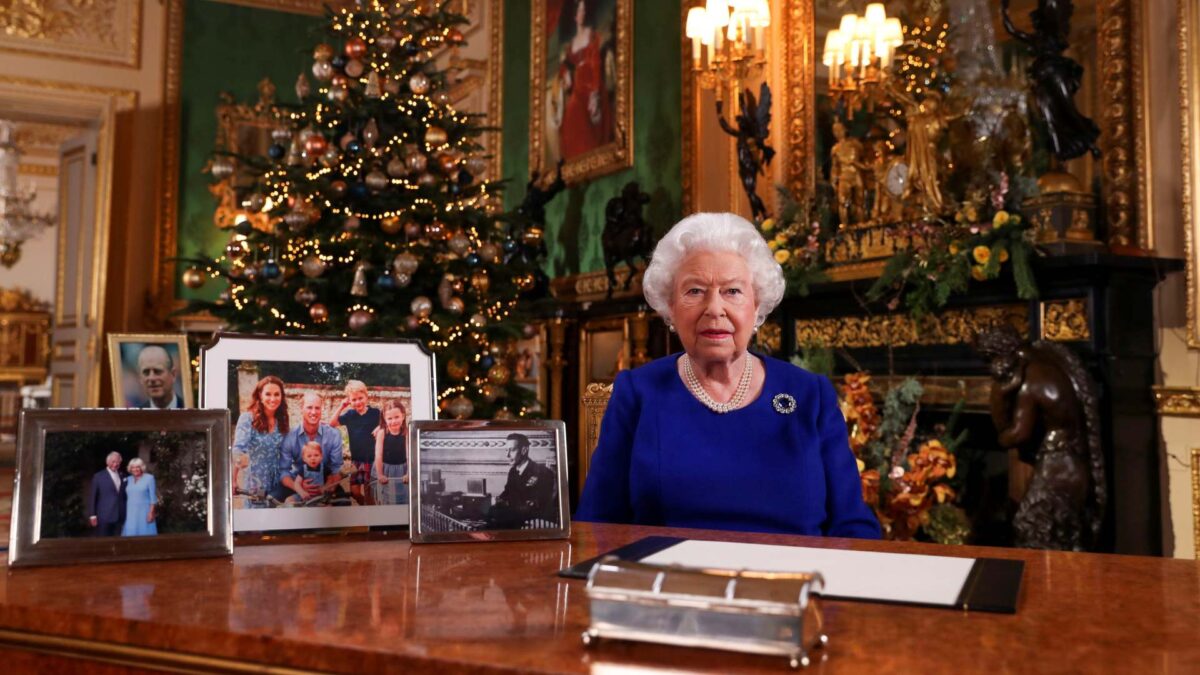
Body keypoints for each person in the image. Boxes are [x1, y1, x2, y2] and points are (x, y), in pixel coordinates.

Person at [576, 212, 881, 538]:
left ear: (757, 303)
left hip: (792, 584)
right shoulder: (638, 392)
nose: (714, 309)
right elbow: (597, 523)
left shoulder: (810, 395)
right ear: (670, 307)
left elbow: (852, 525)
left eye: (732, 291)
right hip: (668, 582)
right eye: (694, 291)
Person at [555, 0, 612, 160]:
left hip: (591, 82)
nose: (582, 13)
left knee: (582, 110)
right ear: (575, 15)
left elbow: (595, 62)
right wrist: (565, 74)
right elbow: (565, 65)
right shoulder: (571, 44)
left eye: (584, 10)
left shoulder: (591, 34)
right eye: (579, 10)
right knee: (571, 113)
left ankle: (589, 154)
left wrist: (594, 92)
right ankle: (576, 158)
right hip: (578, 87)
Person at [232, 375, 289, 508]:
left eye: (277, 394)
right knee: (256, 525)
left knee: (274, 524)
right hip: (255, 483)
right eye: (268, 394)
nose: (273, 399)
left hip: (277, 484)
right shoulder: (247, 419)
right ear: (260, 395)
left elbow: (287, 452)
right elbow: (239, 450)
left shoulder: (282, 421)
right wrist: (233, 480)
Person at [276, 392, 344, 503]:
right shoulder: (289, 436)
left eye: (317, 408)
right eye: (309, 407)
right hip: (296, 481)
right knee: (273, 499)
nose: (313, 412)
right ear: (301, 409)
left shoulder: (334, 435)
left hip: (325, 482)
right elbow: (284, 471)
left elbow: (336, 469)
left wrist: (326, 487)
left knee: (344, 503)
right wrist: (298, 487)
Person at [488, 433, 557, 529]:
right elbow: (507, 492)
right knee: (488, 511)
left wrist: (507, 504)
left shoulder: (542, 472)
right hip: (514, 516)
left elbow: (538, 505)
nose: (507, 455)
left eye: (512, 450)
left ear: (524, 450)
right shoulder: (513, 471)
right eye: (506, 450)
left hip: (531, 520)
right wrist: (498, 499)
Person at [331, 380, 381, 506]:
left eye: (360, 398)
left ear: (366, 396)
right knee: (354, 492)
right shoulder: (350, 415)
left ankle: (371, 516)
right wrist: (341, 406)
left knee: (369, 492)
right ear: (349, 401)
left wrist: (380, 427)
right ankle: (364, 505)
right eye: (354, 399)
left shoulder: (375, 413)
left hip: (371, 460)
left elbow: (387, 423)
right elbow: (332, 423)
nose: (358, 402)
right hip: (356, 461)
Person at [271, 441, 349, 506]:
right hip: (305, 495)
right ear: (304, 459)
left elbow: (330, 479)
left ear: (321, 456)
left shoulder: (324, 468)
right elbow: (297, 483)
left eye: (316, 455)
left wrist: (325, 487)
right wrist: (302, 492)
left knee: (328, 506)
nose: (313, 458)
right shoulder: (303, 469)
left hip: (320, 496)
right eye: (309, 456)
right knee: (288, 500)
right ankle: (286, 509)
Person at [372, 399, 409, 505]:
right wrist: (380, 474)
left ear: (403, 415)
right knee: (385, 499)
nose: (393, 421)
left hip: (402, 470)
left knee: (403, 498)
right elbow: (378, 455)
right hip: (385, 469)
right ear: (384, 418)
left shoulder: (407, 433)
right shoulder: (382, 433)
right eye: (390, 418)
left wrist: (408, 473)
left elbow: (409, 455)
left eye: (397, 417)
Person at [88, 451, 125, 536]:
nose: (115, 464)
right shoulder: (98, 476)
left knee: (118, 543)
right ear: (107, 462)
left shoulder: (122, 475)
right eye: (113, 462)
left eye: (118, 462)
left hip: (119, 516)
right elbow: (93, 497)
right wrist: (92, 515)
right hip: (104, 516)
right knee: (103, 543)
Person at [135, 345, 183, 409]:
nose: (151, 378)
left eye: (157, 371)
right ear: (140, 378)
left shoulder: (190, 409)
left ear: (173, 374)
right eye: (146, 372)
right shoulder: (135, 416)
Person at [120, 458, 158, 536]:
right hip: (131, 512)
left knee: (145, 534)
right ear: (130, 468)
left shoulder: (149, 478)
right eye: (133, 467)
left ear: (142, 467)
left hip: (144, 511)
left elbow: (153, 498)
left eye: (138, 467)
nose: (135, 469)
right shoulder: (128, 479)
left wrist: (151, 512)